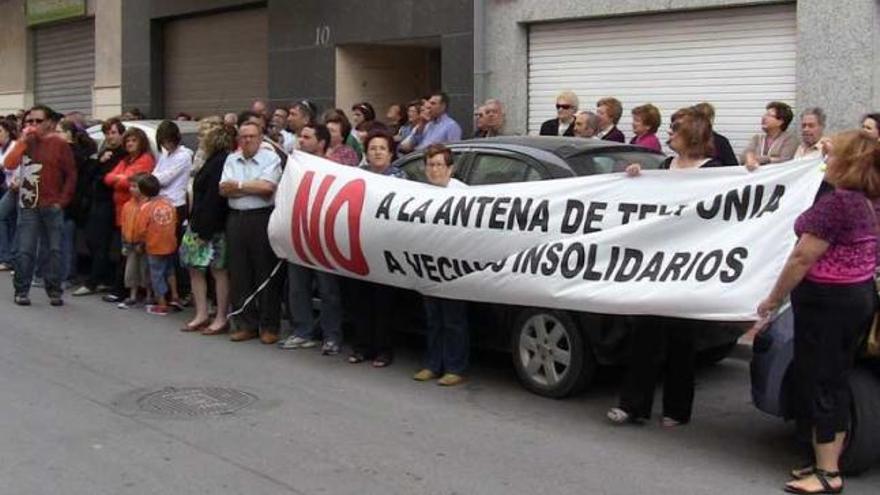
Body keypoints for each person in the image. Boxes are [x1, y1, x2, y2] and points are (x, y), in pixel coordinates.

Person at [755, 130, 880, 494]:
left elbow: (802, 257)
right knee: (831, 377)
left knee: (824, 381)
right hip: (854, 296)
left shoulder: (840, 204)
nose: (826, 159)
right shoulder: (868, 199)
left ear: (846, 163)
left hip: (828, 304)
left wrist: (774, 298)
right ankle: (824, 460)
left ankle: (828, 474)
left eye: (833, 155)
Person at [607, 108, 722, 427]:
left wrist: (754, 168)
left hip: (689, 265)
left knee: (681, 342)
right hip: (657, 265)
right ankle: (633, 405)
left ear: (693, 135)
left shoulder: (715, 170)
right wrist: (635, 179)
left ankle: (676, 409)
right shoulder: (663, 166)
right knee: (644, 336)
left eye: (676, 129)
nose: (669, 134)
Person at [278, 123, 345, 355]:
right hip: (299, 233)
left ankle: (331, 336)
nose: (301, 141)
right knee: (298, 286)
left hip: (325, 236)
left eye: (307, 137)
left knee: (328, 289)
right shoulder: (294, 167)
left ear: (322, 142)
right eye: (300, 136)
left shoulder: (335, 167)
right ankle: (302, 331)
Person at [2, 105, 77, 307]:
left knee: (54, 250)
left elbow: (71, 174)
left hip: (52, 205)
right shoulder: (24, 142)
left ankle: (54, 290)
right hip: (28, 203)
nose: (33, 125)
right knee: (25, 250)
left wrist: (62, 201)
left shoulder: (60, 144)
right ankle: (21, 291)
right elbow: (8, 165)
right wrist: (21, 142)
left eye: (38, 121)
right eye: (29, 121)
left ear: (49, 123)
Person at [220, 121, 284, 344]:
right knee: (239, 273)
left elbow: (267, 189)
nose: (247, 140)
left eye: (252, 137)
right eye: (243, 137)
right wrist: (249, 186)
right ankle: (246, 324)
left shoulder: (271, 159)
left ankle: (269, 326)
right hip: (236, 220)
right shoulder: (231, 159)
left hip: (261, 219)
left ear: (260, 138)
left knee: (264, 272)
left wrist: (237, 186)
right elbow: (223, 189)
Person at [411, 144, 469, 386]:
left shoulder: (464, 194)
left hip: (453, 266)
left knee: (453, 319)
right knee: (433, 317)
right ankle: (433, 364)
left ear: (450, 168)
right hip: (428, 265)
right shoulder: (419, 192)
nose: (434, 170)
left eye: (439, 165)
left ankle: (455, 367)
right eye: (430, 165)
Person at [348, 131, 405, 367]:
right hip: (361, 245)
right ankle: (361, 347)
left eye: (382, 148)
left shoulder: (401, 178)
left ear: (391, 153)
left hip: (387, 248)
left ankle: (383, 349)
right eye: (373, 148)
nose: (377, 152)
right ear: (366, 153)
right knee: (359, 299)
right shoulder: (357, 176)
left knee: (384, 302)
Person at [179, 124, 235, 334]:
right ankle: (201, 313)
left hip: (211, 227)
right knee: (195, 269)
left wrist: (204, 231)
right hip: (197, 223)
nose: (200, 140)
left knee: (218, 271)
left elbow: (213, 199)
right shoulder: (209, 160)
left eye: (204, 137)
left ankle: (221, 316)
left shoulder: (220, 162)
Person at [102, 127, 155, 303]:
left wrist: (120, 178)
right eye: (128, 141)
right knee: (122, 251)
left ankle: (125, 291)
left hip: (136, 213)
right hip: (121, 211)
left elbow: (132, 182)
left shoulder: (145, 159)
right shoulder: (126, 159)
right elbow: (108, 178)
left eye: (134, 141)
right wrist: (120, 178)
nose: (130, 144)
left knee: (129, 253)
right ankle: (123, 288)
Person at [73, 119, 126, 296]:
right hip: (95, 200)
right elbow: (90, 173)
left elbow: (109, 178)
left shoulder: (123, 155)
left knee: (100, 242)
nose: (110, 137)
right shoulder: (105, 152)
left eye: (113, 133)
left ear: (121, 134)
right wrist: (99, 161)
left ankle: (94, 281)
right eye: (107, 133)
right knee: (93, 240)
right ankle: (102, 277)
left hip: (109, 202)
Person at [153, 120, 193, 309]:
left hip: (176, 205)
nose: (166, 145)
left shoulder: (184, 155)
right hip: (162, 204)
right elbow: (156, 174)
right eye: (163, 141)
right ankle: (170, 291)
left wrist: (150, 179)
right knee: (165, 251)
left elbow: (163, 178)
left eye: (169, 141)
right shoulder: (165, 154)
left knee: (175, 251)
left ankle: (184, 291)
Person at [133, 174, 178, 316]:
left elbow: (141, 229)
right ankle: (175, 296)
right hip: (170, 243)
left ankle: (162, 303)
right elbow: (175, 222)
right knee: (170, 270)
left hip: (154, 245)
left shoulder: (146, 207)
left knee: (156, 274)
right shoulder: (168, 204)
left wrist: (140, 243)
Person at [117, 173, 151, 309]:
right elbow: (124, 224)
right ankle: (133, 295)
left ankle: (149, 294)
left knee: (146, 269)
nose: (131, 189)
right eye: (130, 186)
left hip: (143, 244)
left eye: (135, 187)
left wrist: (143, 242)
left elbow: (148, 227)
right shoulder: (127, 206)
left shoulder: (148, 205)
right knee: (131, 271)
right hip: (130, 243)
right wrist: (124, 242)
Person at [743, 101, 799, 169]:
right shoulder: (757, 138)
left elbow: (785, 161)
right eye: (765, 115)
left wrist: (762, 159)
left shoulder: (790, 140)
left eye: (769, 115)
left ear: (780, 121)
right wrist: (749, 157)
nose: (764, 117)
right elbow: (743, 157)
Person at [0, 119, 20, 271]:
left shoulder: (14, 146)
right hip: (7, 188)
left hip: (17, 188)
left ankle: (11, 258)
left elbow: (17, 166)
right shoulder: (2, 148)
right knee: (6, 220)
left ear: (7, 131)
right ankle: (7, 257)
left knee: (16, 223)